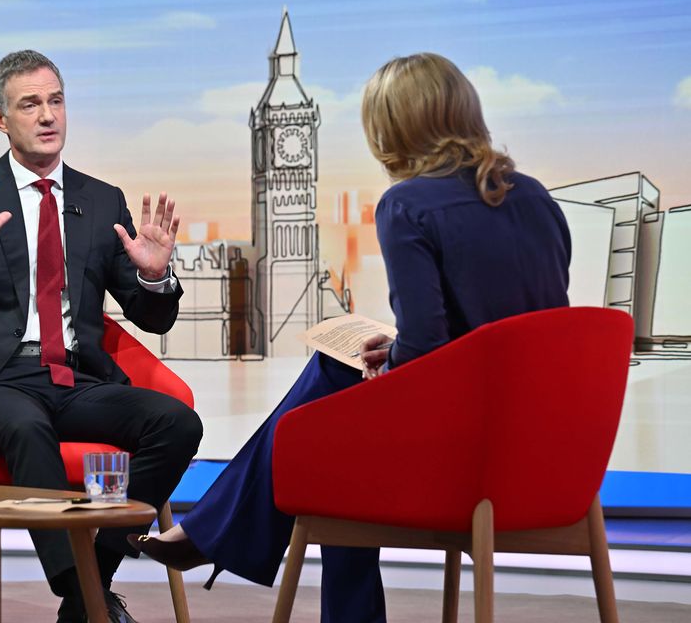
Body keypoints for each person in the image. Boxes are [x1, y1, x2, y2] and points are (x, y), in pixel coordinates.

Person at [128, 52, 571, 622]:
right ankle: (211, 530)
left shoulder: (409, 204)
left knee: (335, 415)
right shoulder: (536, 197)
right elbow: (527, 336)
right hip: (542, 456)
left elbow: (427, 350)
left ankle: (213, 531)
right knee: (339, 393)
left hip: (460, 463)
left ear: (392, 128)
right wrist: (401, 353)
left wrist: (397, 354)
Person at [0, 50, 203, 623]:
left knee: (177, 422)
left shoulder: (102, 200)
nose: (48, 115)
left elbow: (152, 319)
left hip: (75, 379)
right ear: (0, 120)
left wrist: (155, 277)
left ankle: (87, 589)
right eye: (30, 104)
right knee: (27, 427)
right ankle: (87, 599)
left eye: (56, 100)